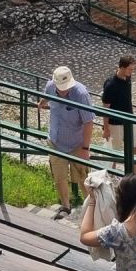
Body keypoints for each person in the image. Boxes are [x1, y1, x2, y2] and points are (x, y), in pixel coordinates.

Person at [39, 65, 96, 219]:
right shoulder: (50, 86)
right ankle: (65, 206)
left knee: (83, 177)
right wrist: (42, 103)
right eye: (61, 87)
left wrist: (85, 147)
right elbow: (47, 96)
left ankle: (91, 209)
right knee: (59, 177)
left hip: (76, 143)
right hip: (56, 140)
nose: (64, 91)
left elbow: (89, 122)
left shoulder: (81, 94)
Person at [102, 55, 136, 147]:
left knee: (135, 148)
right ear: (121, 67)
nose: (132, 72)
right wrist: (106, 129)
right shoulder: (111, 85)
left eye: (133, 69)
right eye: (130, 69)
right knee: (115, 152)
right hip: (115, 124)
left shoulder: (128, 77)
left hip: (129, 120)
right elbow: (105, 109)